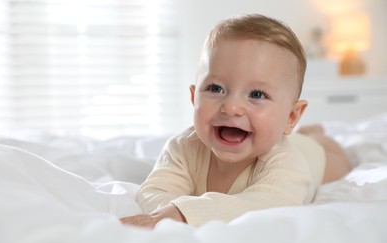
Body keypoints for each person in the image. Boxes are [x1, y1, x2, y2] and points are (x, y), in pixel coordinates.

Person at [120, 13, 351, 228]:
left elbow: (269, 204)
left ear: (291, 117)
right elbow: (156, 189)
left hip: (314, 155)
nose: (231, 107)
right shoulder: (183, 147)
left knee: (337, 158)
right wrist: (166, 213)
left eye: (256, 95)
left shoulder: (286, 163)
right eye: (215, 88)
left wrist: (183, 213)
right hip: (288, 138)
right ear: (194, 97)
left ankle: (314, 134)